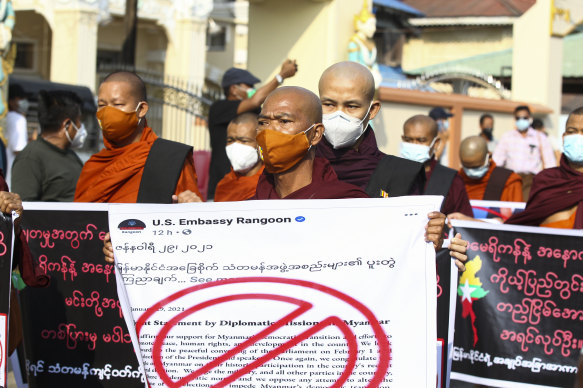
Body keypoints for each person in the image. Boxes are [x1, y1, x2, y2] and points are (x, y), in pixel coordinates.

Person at [105, 86, 469, 270]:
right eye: (264, 121)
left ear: (314, 135)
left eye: (283, 122)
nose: (269, 131)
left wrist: (427, 243)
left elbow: (384, 263)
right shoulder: (246, 208)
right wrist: (137, 252)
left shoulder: (347, 203)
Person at [74, 71, 201, 204]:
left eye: (117, 104)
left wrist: (189, 206)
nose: (107, 112)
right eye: (102, 105)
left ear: (141, 109)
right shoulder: (94, 166)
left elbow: (192, 217)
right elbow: (78, 220)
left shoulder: (169, 158)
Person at [316, 61, 425, 197]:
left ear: (372, 111)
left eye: (352, 106)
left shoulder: (399, 175)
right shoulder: (298, 167)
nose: (339, 115)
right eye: (329, 104)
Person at [207, 60, 298, 200]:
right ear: (233, 89)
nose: (252, 89)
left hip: (254, 182)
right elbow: (256, 100)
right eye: (248, 86)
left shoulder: (257, 112)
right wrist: (281, 76)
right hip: (223, 183)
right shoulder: (219, 108)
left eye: (244, 140)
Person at [506, 107, 583, 229]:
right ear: (563, 138)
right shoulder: (546, 180)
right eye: (572, 132)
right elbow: (527, 226)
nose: (578, 138)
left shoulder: (539, 138)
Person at [12, 90, 85, 201]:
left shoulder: (70, 155)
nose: (81, 127)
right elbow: (24, 210)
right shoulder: (30, 158)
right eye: (79, 121)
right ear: (67, 125)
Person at [400, 115, 473, 217]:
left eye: (421, 140)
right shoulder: (390, 173)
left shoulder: (451, 180)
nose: (414, 145)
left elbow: (463, 223)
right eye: (408, 140)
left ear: (436, 143)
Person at [493, 105, 556, 200]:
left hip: (531, 181)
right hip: (511, 179)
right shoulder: (507, 137)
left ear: (530, 119)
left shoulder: (539, 137)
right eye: (518, 118)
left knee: (526, 208)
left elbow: (549, 163)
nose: (521, 120)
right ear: (514, 119)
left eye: (524, 118)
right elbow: (497, 161)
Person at [214, 112, 263, 202]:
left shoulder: (268, 184)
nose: (236, 146)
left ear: (260, 144)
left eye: (244, 141)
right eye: (230, 140)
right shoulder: (224, 185)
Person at [458, 136, 523, 202]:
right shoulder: (456, 181)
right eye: (467, 167)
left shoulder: (508, 181)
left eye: (476, 167)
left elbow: (516, 210)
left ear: (489, 157)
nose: (472, 171)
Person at [5, 83, 29, 186]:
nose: (23, 102)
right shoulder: (18, 119)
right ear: (11, 101)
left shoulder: (5, 117)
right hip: (11, 178)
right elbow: (18, 150)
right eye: (20, 98)